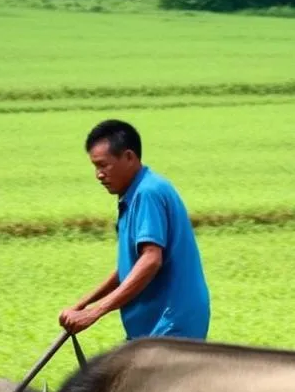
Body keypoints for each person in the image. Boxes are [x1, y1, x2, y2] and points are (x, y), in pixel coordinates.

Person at [59, 119, 211, 341]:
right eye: (95, 167)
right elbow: (128, 269)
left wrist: (95, 313)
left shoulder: (147, 193)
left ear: (129, 157)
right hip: (155, 325)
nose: (99, 175)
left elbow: (151, 260)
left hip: (170, 323)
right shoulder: (132, 196)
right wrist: (82, 305)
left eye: (103, 165)